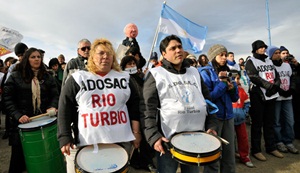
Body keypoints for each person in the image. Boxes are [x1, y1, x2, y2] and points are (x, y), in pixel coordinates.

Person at [57, 38, 141, 173]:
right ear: (92, 57)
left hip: (119, 140)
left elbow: (134, 106)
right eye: (101, 53)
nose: (106, 56)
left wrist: (136, 132)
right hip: (87, 141)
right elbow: (64, 108)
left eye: (109, 53)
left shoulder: (125, 78)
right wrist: (64, 137)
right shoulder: (78, 78)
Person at [141, 34, 217, 173]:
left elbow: (208, 102)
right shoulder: (156, 74)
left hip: (196, 137)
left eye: (180, 47)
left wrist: (211, 125)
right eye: (173, 48)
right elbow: (147, 109)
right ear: (164, 54)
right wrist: (154, 137)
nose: (178, 50)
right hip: (168, 140)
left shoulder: (194, 72)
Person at [2, 47, 59, 173]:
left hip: (43, 122)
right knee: (17, 160)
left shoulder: (48, 76)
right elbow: (7, 99)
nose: (37, 59)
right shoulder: (15, 76)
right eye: (33, 57)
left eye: (38, 57)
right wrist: (18, 115)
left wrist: (53, 106)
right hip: (21, 124)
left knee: (42, 157)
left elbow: (55, 95)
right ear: (27, 59)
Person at [198, 44, 239, 173]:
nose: (224, 57)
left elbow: (235, 98)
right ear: (213, 56)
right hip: (214, 118)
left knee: (229, 153)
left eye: (225, 55)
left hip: (228, 117)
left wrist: (232, 89)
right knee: (213, 153)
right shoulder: (205, 72)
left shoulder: (229, 71)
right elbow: (208, 98)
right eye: (221, 55)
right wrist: (222, 84)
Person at [245, 40, 283, 161]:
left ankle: (271, 147)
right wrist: (268, 86)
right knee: (257, 123)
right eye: (260, 47)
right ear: (255, 49)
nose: (263, 49)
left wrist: (275, 86)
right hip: (258, 95)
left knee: (269, 123)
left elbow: (276, 75)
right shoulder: (251, 61)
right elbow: (253, 77)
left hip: (271, 95)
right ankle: (256, 150)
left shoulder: (269, 60)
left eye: (264, 47)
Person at [120, 55, 156, 172]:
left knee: (145, 137)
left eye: (133, 64)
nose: (131, 66)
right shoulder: (122, 79)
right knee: (133, 138)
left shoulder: (141, 77)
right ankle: (134, 160)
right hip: (130, 112)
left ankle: (145, 161)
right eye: (129, 64)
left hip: (143, 111)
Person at [267, 46, 299, 154]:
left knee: (290, 120)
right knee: (276, 121)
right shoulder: (270, 66)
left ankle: (288, 141)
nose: (278, 54)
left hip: (288, 97)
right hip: (277, 97)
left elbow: (292, 78)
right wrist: (279, 90)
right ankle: (279, 141)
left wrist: (291, 89)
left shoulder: (287, 65)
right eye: (276, 53)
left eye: (278, 52)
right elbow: (271, 80)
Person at [232, 73, 254, 168]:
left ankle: (244, 157)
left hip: (240, 119)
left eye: (238, 78)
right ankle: (230, 157)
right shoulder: (225, 91)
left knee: (243, 138)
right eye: (234, 78)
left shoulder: (241, 90)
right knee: (230, 139)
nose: (236, 80)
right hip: (229, 120)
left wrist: (244, 113)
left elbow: (247, 102)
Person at [279, 46, 300, 139]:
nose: (286, 55)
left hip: (295, 93)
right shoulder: (277, 65)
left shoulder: (292, 64)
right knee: (282, 118)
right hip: (283, 93)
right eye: (283, 53)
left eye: (287, 53)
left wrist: (296, 64)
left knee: (294, 116)